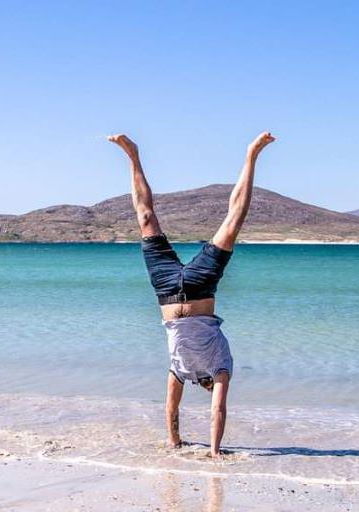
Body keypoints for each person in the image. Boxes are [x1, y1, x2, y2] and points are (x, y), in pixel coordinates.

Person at [108, 132, 276, 458]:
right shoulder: (223, 367)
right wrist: (214, 451)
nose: (212, 390)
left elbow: (170, 408)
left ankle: (133, 156)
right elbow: (219, 411)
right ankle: (251, 154)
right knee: (233, 222)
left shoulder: (179, 371)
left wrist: (174, 442)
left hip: (166, 288)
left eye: (210, 389)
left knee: (145, 218)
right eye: (212, 389)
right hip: (201, 284)